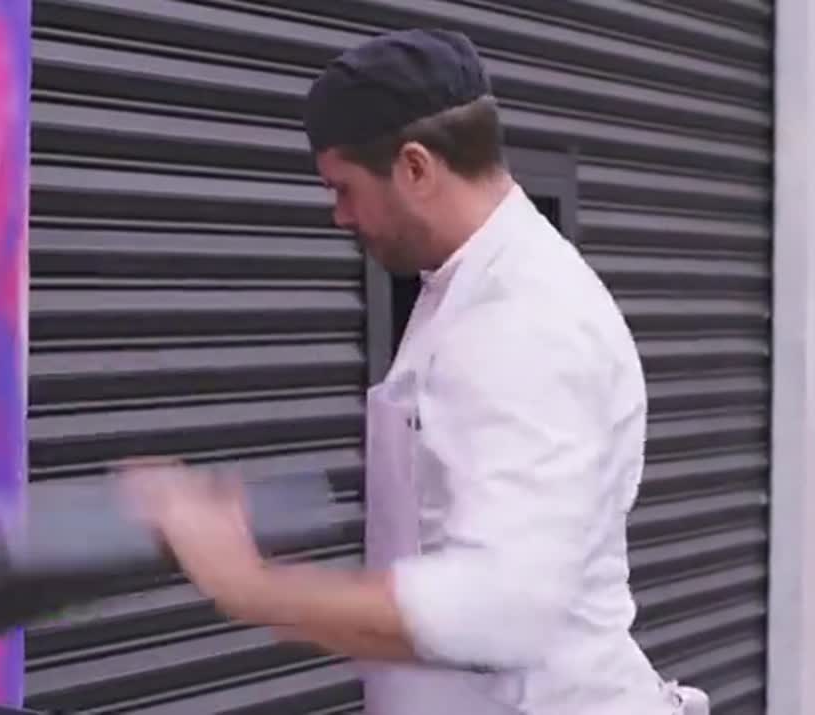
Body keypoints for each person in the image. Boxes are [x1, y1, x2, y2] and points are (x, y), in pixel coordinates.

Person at [120, 28, 708, 715]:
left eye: (344, 188)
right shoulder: (468, 287)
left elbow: (498, 610)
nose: (338, 216)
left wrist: (249, 586)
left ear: (416, 168)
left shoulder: (521, 318)